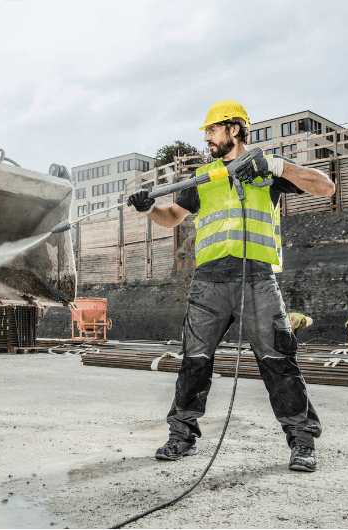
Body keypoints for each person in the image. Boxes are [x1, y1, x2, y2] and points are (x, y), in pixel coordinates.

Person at [127, 100, 335, 472]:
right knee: (194, 361)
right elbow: (171, 217)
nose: (206, 137)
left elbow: (326, 187)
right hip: (208, 283)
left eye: (212, 130)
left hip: (256, 279)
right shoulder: (203, 177)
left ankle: (302, 442)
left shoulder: (267, 168)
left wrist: (276, 166)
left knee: (278, 360)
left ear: (233, 129)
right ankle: (181, 436)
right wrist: (148, 209)